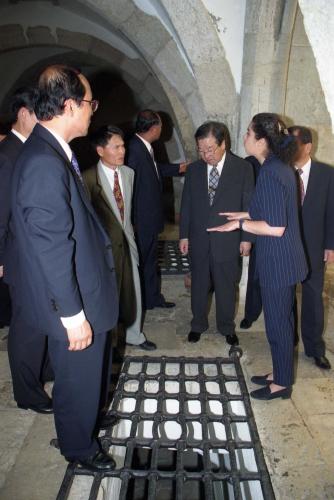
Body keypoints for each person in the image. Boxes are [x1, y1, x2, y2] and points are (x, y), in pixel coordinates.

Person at [4, 65, 119, 471]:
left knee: (87, 379)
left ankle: (87, 419)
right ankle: (79, 447)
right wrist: (72, 317)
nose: (93, 111)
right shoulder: (42, 160)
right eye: (90, 103)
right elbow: (50, 245)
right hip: (75, 300)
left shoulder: (50, 149)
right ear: (69, 106)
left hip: (86, 289)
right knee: (76, 379)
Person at [209, 113, 308, 400]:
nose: (244, 138)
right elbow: (270, 211)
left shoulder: (272, 171)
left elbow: (275, 228)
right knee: (280, 323)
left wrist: (239, 224)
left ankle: (282, 385)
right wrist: (243, 214)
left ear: (262, 141)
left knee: (278, 325)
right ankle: (280, 373)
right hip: (282, 260)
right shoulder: (276, 167)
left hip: (279, 262)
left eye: (249, 134)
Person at [179, 121, 254, 346]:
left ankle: (226, 326)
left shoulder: (242, 168)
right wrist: (184, 235)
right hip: (199, 239)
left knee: (226, 286)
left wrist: (247, 238)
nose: (205, 155)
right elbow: (187, 204)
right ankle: (197, 324)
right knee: (199, 284)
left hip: (228, 240)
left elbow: (249, 205)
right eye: (200, 150)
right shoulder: (194, 170)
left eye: (209, 149)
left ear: (224, 144)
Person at [84, 125, 156, 351]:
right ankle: (111, 343)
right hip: (103, 250)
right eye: (116, 146)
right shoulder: (87, 179)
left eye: (123, 145)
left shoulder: (128, 174)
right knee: (109, 297)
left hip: (128, 244)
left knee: (134, 291)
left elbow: (125, 215)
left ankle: (135, 335)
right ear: (100, 150)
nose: (122, 150)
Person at [126, 109, 187, 310]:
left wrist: (178, 169)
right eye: (160, 125)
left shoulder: (143, 146)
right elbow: (130, 187)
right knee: (143, 262)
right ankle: (143, 301)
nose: (162, 129)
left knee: (150, 261)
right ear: (153, 128)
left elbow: (153, 170)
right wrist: (132, 221)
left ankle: (152, 299)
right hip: (141, 220)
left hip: (148, 218)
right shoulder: (134, 149)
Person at [288, 125, 334, 370]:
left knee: (313, 297)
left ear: (308, 147)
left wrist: (331, 245)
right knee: (286, 298)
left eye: (294, 145)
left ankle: (315, 348)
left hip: (315, 248)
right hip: (285, 246)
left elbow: (332, 213)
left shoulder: (327, 174)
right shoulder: (281, 172)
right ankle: (289, 340)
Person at [0, 87, 38, 329]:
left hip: (28, 249)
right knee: (24, 325)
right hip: (15, 251)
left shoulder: (25, 148)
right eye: (40, 115)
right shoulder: (7, 154)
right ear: (24, 114)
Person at [240, 155, 262, 330]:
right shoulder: (249, 163)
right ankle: (251, 313)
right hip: (256, 224)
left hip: (282, 226)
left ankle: (288, 326)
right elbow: (246, 198)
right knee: (255, 274)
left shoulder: (285, 160)